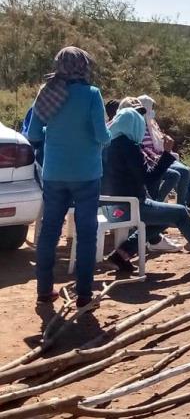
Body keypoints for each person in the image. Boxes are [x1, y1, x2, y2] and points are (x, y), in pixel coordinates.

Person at [27, 46, 111, 307]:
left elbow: (34, 135)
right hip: (86, 174)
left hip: (54, 174)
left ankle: (44, 291)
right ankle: (84, 295)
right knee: (86, 233)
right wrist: (106, 136)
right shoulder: (92, 95)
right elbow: (101, 136)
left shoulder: (47, 92)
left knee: (50, 231)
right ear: (83, 66)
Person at [102, 107, 190, 271]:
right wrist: (167, 154)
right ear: (135, 126)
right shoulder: (130, 146)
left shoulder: (107, 145)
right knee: (180, 212)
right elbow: (149, 178)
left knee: (167, 218)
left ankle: (122, 253)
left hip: (111, 207)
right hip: (132, 205)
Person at [135, 95, 190, 214]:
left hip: (161, 156)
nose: (153, 110)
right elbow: (145, 149)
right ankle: (181, 205)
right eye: (151, 107)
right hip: (154, 159)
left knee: (186, 169)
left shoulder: (152, 124)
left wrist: (165, 144)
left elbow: (159, 140)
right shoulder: (138, 126)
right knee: (182, 171)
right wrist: (163, 154)